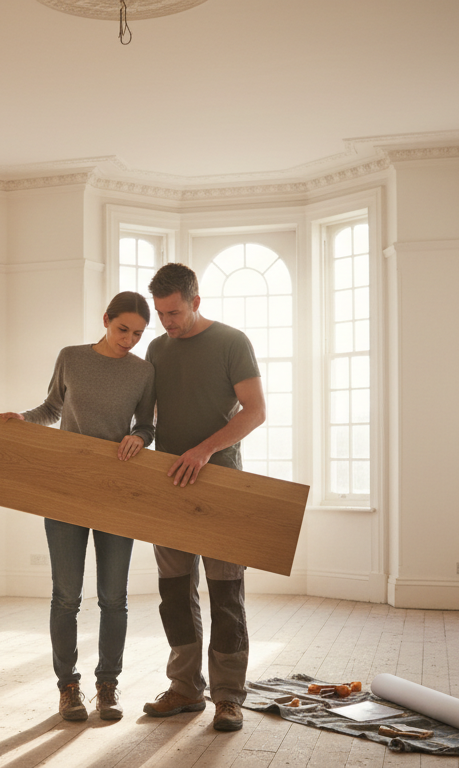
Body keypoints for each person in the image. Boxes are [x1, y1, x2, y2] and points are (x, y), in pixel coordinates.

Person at [0, 291, 156, 723]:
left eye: (138, 334)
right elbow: (52, 406)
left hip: (116, 491)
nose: (128, 340)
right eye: (122, 329)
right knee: (66, 596)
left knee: (114, 598)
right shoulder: (71, 357)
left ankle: (108, 685)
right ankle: (68, 687)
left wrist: (140, 437)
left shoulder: (144, 372)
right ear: (106, 319)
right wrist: (23, 421)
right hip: (66, 488)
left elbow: (146, 423)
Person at [140, 262, 266, 733]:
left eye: (174, 311)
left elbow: (255, 412)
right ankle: (185, 689)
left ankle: (229, 697)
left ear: (196, 301)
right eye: (160, 314)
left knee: (226, 593)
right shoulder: (156, 347)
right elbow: (145, 415)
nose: (167, 322)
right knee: (174, 593)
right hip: (168, 485)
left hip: (222, 484)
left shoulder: (232, 342)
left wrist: (204, 450)